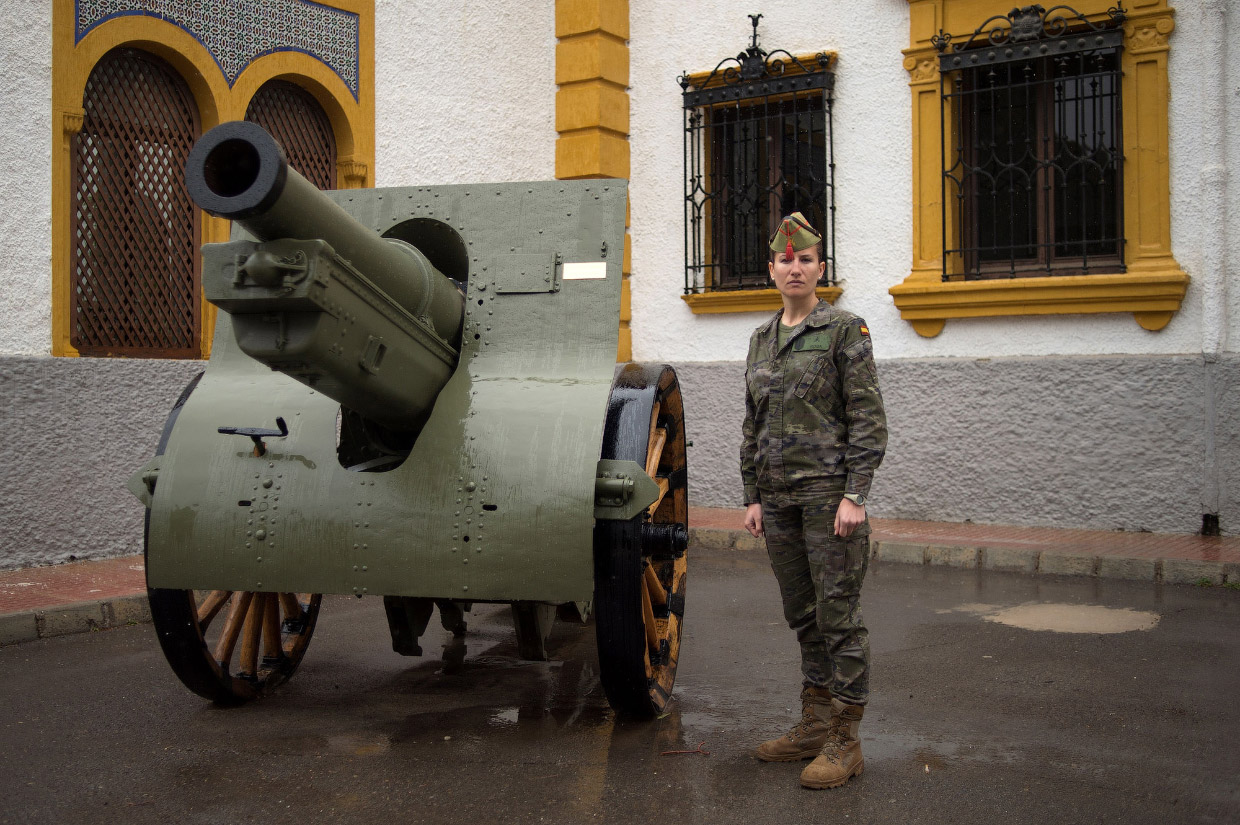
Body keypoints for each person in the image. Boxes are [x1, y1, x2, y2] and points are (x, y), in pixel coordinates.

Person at [740, 212, 887, 789]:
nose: (794, 267)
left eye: (805, 260)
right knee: (803, 617)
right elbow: (751, 424)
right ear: (771, 270)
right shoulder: (760, 340)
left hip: (830, 500)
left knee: (838, 619)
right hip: (777, 502)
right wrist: (752, 494)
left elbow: (869, 420)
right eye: (785, 260)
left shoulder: (846, 331)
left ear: (819, 269)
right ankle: (814, 723)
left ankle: (845, 739)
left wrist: (856, 493)